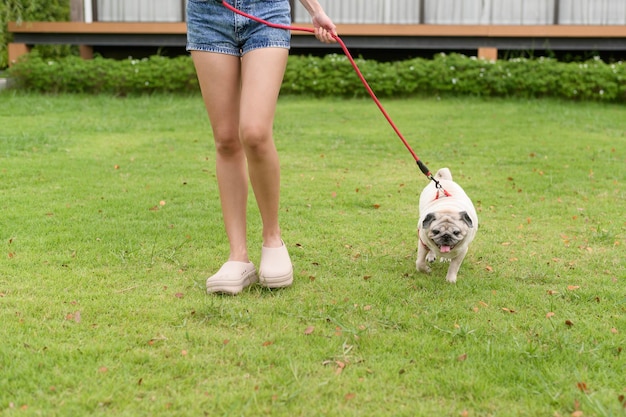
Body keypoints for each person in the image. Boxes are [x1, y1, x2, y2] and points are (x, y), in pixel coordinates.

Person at [186, 0, 337, 295]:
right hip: (207, 14)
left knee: (254, 132)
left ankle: (272, 239)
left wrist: (315, 9)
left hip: (265, 9)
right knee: (227, 139)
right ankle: (238, 257)